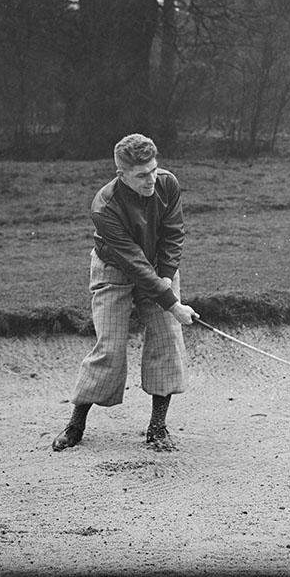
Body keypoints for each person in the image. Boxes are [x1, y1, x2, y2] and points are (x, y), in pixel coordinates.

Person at [53, 133, 198, 453]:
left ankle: (157, 428)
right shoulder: (104, 206)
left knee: (167, 340)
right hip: (114, 268)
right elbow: (132, 262)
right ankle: (76, 423)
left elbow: (173, 234)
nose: (151, 180)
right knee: (111, 346)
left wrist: (166, 280)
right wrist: (172, 303)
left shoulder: (167, 183)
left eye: (153, 170)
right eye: (141, 175)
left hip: (159, 266)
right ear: (122, 175)